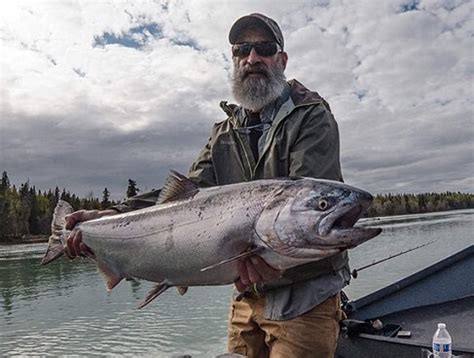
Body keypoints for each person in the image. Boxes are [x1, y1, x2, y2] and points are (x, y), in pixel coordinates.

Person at [66, 13, 349, 358]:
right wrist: (113, 215)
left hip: (307, 297)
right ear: (233, 60)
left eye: (264, 48)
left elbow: (306, 207)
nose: (252, 58)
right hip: (247, 297)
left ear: (281, 59)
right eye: (242, 50)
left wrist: (261, 253)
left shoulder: (311, 115)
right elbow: (184, 198)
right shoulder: (224, 132)